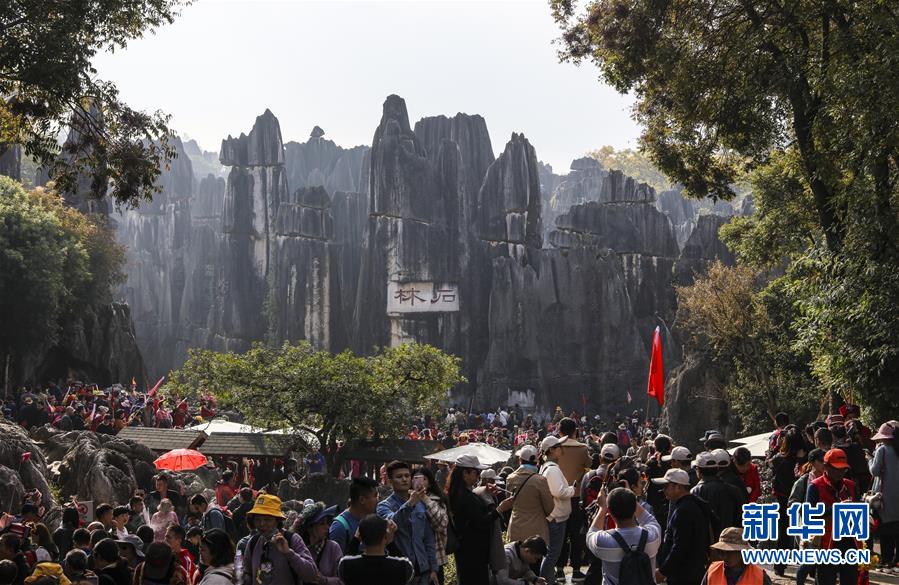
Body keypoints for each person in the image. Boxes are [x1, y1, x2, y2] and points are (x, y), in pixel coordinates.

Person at [377, 460, 439, 585]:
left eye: (407, 475)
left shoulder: (420, 503)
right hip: (400, 570)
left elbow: (428, 538)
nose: (404, 479)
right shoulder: (384, 506)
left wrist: (433, 568)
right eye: (399, 477)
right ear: (390, 481)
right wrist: (410, 504)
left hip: (423, 569)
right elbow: (392, 524)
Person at [586, 487, 661, 585]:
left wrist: (602, 508)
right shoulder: (653, 536)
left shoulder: (602, 541)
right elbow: (649, 519)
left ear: (609, 511)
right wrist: (630, 498)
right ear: (634, 507)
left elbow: (591, 533)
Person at [652, 469, 715, 585]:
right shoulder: (694, 504)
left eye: (666, 486)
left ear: (679, 487)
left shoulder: (684, 510)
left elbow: (680, 546)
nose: (663, 490)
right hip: (694, 570)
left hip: (683, 575)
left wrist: (663, 571)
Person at [806, 448, 859, 585]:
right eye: (836, 468)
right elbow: (810, 514)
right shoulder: (815, 486)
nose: (840, 472)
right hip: (826, 545)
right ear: (826, 466)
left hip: (849, 544)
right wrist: (836, 508)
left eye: (843, 469)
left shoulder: (851, 486)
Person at [242, 494, 318, 585]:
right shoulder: (253, 542)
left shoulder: (292, 539)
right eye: (257, 519)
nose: (262, 524)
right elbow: (248, 574)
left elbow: (311, 575)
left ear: (277, 520)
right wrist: (241, 578)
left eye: (267, 519)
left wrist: (288, 553)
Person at [555, 418, 592, 582]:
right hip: (576, 497)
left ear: (560, 431)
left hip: (558, 497)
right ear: (575, 431)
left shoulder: (555, 447)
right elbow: (588, 466)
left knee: (560, 535)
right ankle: (576, 569)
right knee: (576, 534)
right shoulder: (582, 449)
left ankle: (559, 570)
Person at [539, 435, 575, 585]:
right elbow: (559, 492)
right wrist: (572, 489)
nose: (561, 449)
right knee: (552, 553)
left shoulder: (548, 467)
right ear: (552, 450)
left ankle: (550, 580)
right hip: (556, 517)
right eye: (559, 446)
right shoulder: (552, 469)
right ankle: (544, 580)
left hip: (555, 516)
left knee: (551, 553)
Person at [337, 514, 413, 585]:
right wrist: (390, 543)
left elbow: (346, 559)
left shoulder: (345, 566)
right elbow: (406, 566)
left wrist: (356, 540)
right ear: (385, 536)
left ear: (361, 537)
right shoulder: (403, 566)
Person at [506, 445, 554, 544]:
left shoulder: (510, 478)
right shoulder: (540, 480)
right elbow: (549, 508)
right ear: (536, 461)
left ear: (520, 460)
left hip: (515, 527)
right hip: (536, 530)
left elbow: (509, 502)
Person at [412, 467, 450, 583]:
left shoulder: (437, 500)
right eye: (415, 478)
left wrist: (425, 499)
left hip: (435, 557)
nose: (419, 482)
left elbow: (441, 525)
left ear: (429, 483)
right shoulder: (407, 500)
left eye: (423, 479)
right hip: (414, 557)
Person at [690, 452, 743, 536]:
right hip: (731, 539)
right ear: (717, 468)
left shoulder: (695, 492)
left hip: (705, 541)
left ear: (698, 470)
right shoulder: (734, 490)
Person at [869, 422, 899, 572]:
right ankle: (897, 560)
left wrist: (870, 459)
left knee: (886, 530)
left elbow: (874, 471)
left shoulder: (882, 450)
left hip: (886, 497)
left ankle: (887, 561)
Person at [700, 527, 772, 585]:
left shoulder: (759, 577)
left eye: (729, 552)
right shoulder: (712, 571)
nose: (724, 557)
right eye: (721, 552)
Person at [330, 477, 379, 555]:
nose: (378, 500)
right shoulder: (339, 527)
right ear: (362, 500)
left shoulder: (373, 520)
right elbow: (337, 561)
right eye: (375, 496)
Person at [295, 502, 341, 584]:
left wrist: (324, 580)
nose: (327, 527)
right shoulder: (299, 547)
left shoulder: (333, 548)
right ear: (310, 528)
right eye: (322, 524)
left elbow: (341, 580)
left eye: (327, 523)